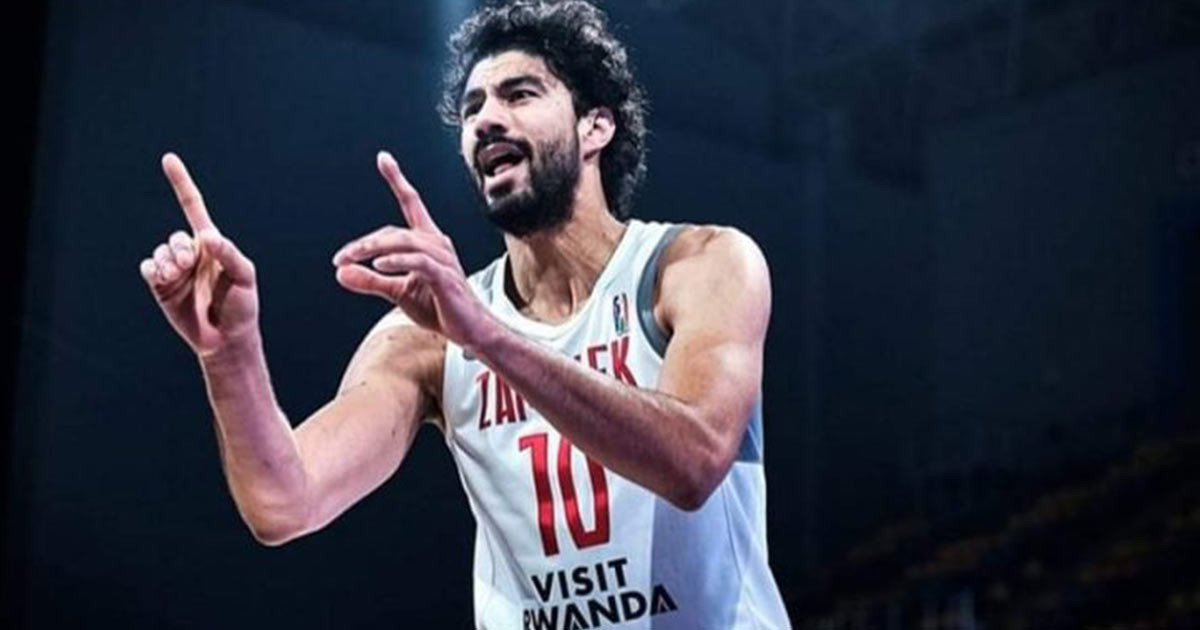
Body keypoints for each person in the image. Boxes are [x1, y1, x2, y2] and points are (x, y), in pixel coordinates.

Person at [138, 1, 790, 628]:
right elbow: (285, 504)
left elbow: (693, 464)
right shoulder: (426, 335)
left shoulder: (699, 265)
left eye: (520, 94)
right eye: (473, 107)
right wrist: (229, 355)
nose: (486, 120)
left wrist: (487, 336)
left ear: (595, 126)